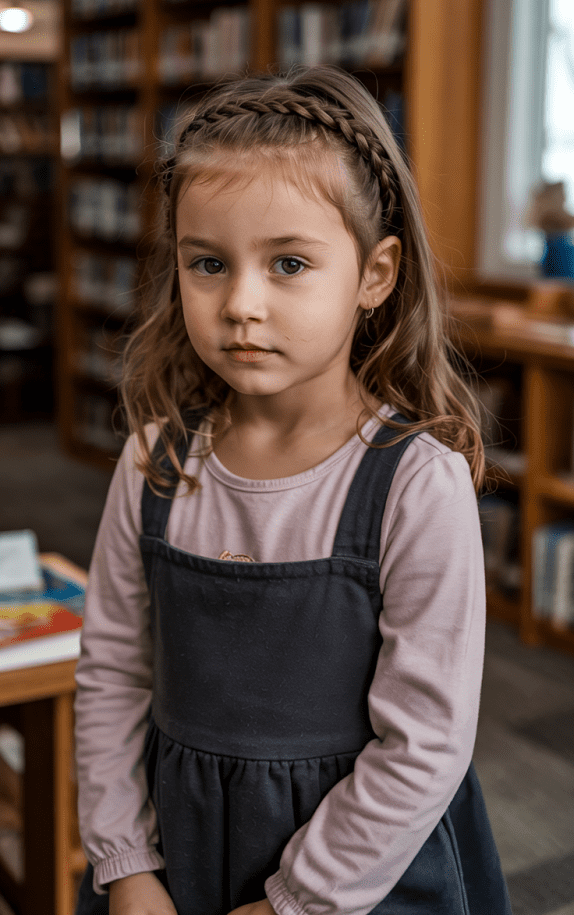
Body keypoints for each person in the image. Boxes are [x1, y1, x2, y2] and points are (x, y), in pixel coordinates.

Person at [74, 64, 513, 915]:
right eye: (208, 263)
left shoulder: (416, 483)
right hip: (177, 853)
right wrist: (125, 863)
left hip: (358, 871)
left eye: (287, 263)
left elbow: (425, 743)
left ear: (375, 276)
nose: (240, 304)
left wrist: (295, 901)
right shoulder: (155, 462)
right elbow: (111, 674)